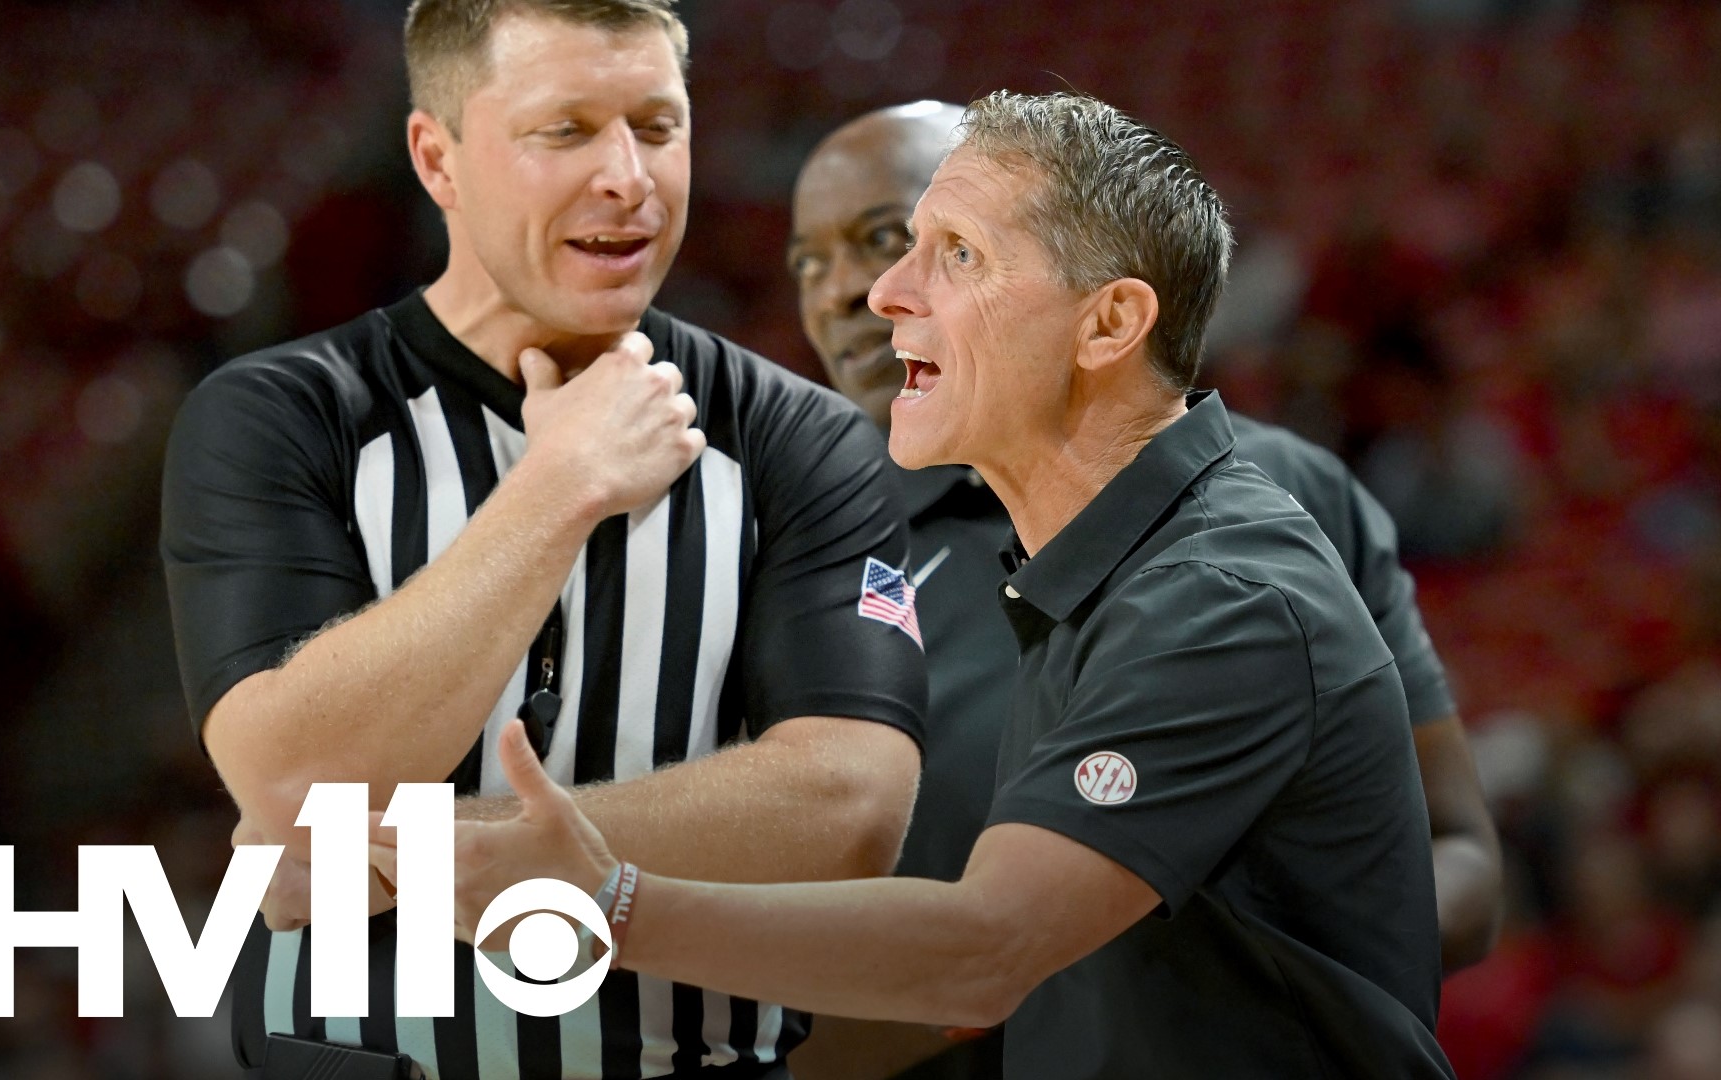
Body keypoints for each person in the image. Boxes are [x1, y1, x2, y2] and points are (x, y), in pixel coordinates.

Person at [453, 89, 1459, 1079]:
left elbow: (982, 954)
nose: (886, 292)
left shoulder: (1219, 595)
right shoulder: (1091, 573)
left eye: (957, 254)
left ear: (1108, 323)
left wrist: (607, 903)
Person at [159, 2, 927, 1077]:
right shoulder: (283, 414)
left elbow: (849, 807)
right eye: (563, 131)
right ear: (440, 158)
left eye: (658, 126)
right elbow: (297, 780)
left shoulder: (801, 439)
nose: (629, 178)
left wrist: (435, 856)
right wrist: (559, 487)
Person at [781, 102, 1505, 1078]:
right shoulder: (796, 552)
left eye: (915, 242)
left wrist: (1085, 960)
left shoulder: (1269, 516)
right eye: (808, 264)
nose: (855, 294)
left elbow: (1452, 854)